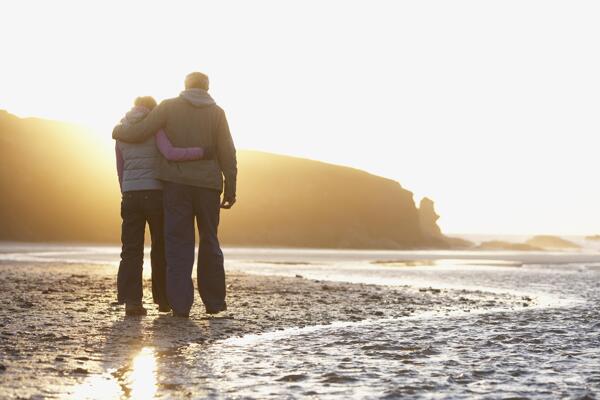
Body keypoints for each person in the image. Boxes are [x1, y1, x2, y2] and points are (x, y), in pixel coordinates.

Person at [113, 72, 237, 318]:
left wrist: (117, 130)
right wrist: (231, 186)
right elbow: (227, 151)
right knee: (210, 241)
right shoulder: (218, 113)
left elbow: (140, 132)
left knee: (178, 244)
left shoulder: (168, 107)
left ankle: (180, 306)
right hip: (208, 186)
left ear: (185, 86)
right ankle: (213, 302)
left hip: (175, 185)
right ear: (207, 87)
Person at [115, 95, 209, 316]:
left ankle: (132, 302)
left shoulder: (121, 132)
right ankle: (164, 300)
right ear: (153, 110)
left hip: (130, 195)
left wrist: (127, 190)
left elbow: (120, 169)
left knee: (130, 250)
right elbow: (169, 153)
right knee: (161, 248)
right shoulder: (155, 129)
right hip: (155, 194)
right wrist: (201, 151)